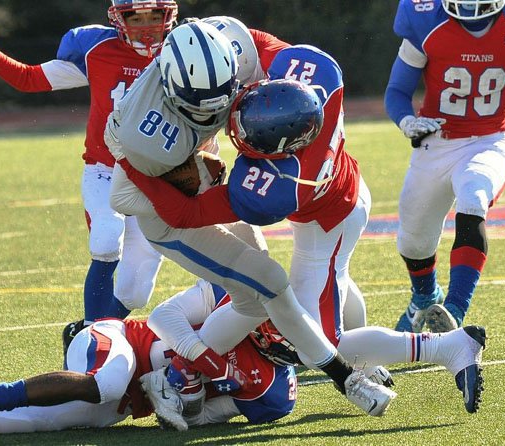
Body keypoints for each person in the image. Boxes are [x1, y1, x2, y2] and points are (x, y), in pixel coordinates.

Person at [119, 45, 486, 415]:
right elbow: (254, 39)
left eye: (246, 132)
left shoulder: (279, 185)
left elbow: (184, 213)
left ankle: (447, 347)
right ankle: (375, 358)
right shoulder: (319, 79)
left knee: (321, 341)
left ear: (274, 150)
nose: (236, 128)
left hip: (327, 223)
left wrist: (126, 160)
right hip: (346, 193)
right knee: (335, 279)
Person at [106, 21, 397, 418]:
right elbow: (152, 205)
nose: (225, 115)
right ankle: (345, 378)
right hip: (162, 210)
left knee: (259, 299)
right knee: (271, 285)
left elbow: (262, 49)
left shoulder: (230, 45)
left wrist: (206, 168)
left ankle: (178, 372)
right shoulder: (149, 136)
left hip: (200, 183)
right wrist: (126, 155)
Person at [0, 1, 173, 342]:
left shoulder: (181, 54)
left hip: (156, 178)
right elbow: (29, 79)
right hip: (105, 171)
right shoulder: (96, 50)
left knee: (136, 292)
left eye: (153, 16)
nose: (145, 25)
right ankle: (93, 342)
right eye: (135, 17)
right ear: (118, 18)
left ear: (168, 15)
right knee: (106, 239)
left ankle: (88, 334)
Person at [0, 280, 298, 441]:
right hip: (119, 340)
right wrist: (202, 361)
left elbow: (201, 416)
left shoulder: (275, 393)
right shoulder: (236, 301)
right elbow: (165, 317)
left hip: (126, 404)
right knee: (105, 382)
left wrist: (185, 397)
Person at [384, 0, 505, 333]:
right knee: (413, 242)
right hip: (435, 140)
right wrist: (406, 120)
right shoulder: (425, 19)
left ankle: (454, 309)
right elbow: (397, 91)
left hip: (488, 140)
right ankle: (424, 297)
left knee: (473, 195)